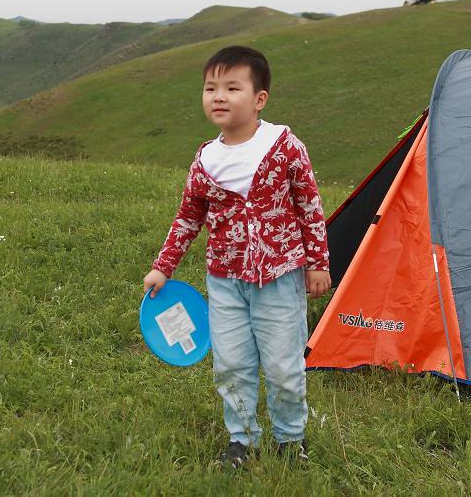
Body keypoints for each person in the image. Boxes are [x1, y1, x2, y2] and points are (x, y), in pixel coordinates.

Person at [142, 45, 331, 468]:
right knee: (231, 364)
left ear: (259, 98)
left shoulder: (284, 145)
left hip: (280, 278)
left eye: (232, 87)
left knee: (283, 367)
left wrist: (318, 263)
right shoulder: (205, 159)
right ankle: (241, 440)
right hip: (225, 282)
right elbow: (188, 217)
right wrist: (162, 267)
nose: (219, 96)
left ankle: (289, 440)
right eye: (211, 88)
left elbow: (310, 205)